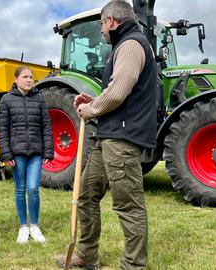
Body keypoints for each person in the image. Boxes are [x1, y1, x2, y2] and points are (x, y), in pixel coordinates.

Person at [56, 0, 157, 269]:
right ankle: (87, 255)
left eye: (102, 23)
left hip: (122, 140)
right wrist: (96, 100)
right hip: (108, 137)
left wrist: (90, 109)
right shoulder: (122, 47)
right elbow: (116, 93)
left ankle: (133, 265)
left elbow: (118, 92)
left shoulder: (131, 45)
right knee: (87, 194)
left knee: (128, 205)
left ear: (111, 21)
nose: (101, 30)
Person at [0, 65, 54, 244]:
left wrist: (48, 150)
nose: (29, 80)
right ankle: (23, 227)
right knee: (20, 189)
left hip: (36, 152)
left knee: (33, 188)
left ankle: (34, 226)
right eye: (25, 77)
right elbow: (2, 130)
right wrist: (6, 154)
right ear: (15, 79)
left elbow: (46, 127)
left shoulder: (39, 99)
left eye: (31, 77)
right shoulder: (6, 100)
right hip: (17, 153)